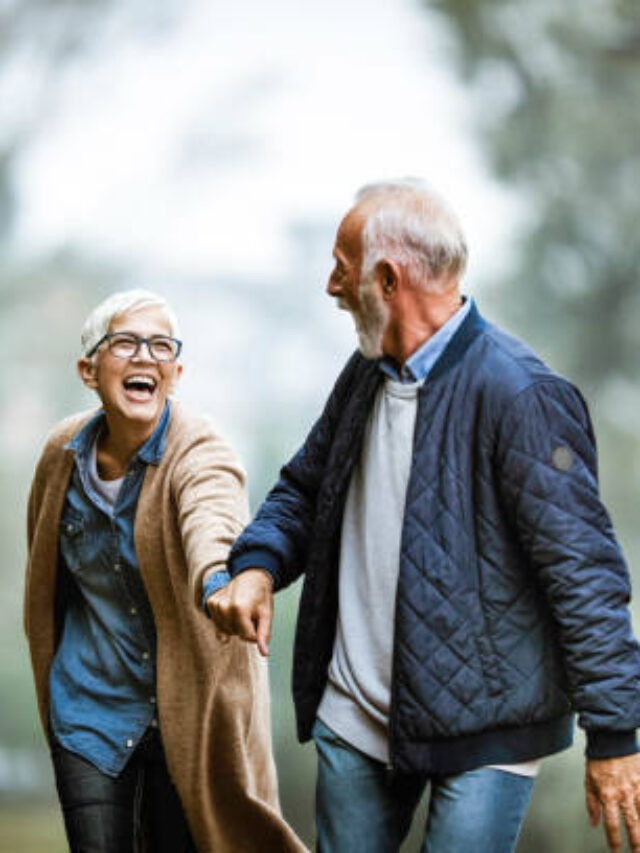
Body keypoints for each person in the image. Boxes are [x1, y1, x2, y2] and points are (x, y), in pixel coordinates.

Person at [209, 180, 640, 853]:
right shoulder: (363, 375)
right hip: (355, 718)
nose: (330, 286)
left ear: (386, 278)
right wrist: (258, 565)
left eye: (342, 269)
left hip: (486, 732)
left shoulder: (521, 394)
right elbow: (302, 488)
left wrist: (615, 736)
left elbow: (583, 574)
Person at [24, 290, 306, 853]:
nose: (144, 357)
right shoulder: (61, 455)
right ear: (89, 369)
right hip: (88, 705)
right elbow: (44, 573)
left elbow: (213, 521)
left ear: (175, 373)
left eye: (160, 347)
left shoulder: (199, 448)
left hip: (186, 713)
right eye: (125, 343)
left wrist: (219, 583)